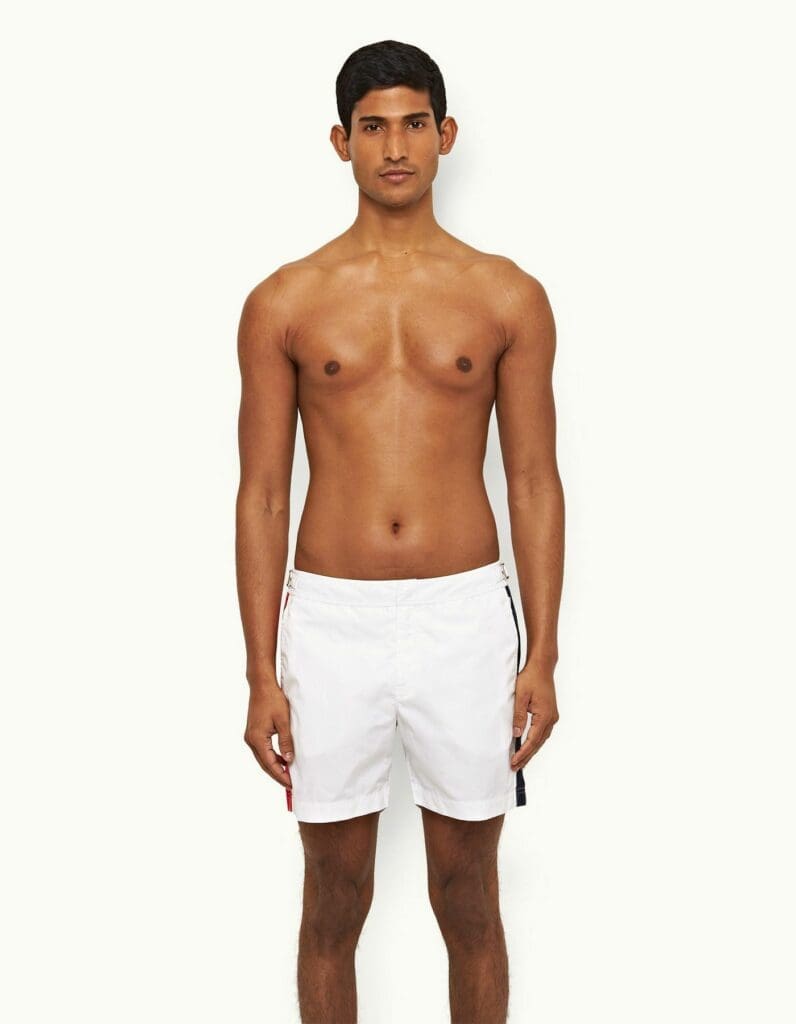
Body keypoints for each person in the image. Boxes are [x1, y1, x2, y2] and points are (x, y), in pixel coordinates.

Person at [235, 38, 564, 1024]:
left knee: (469, 895)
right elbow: (262, 493)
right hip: (330, 619)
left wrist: (543, 655)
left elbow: (533, 480)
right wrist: (260, 672)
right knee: (333, 896)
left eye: (413, 123)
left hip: (462, 615)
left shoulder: (505, 293)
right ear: (340, 142)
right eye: (372, 127)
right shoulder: (284, 300)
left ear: (444, 134)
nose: (394, 147)